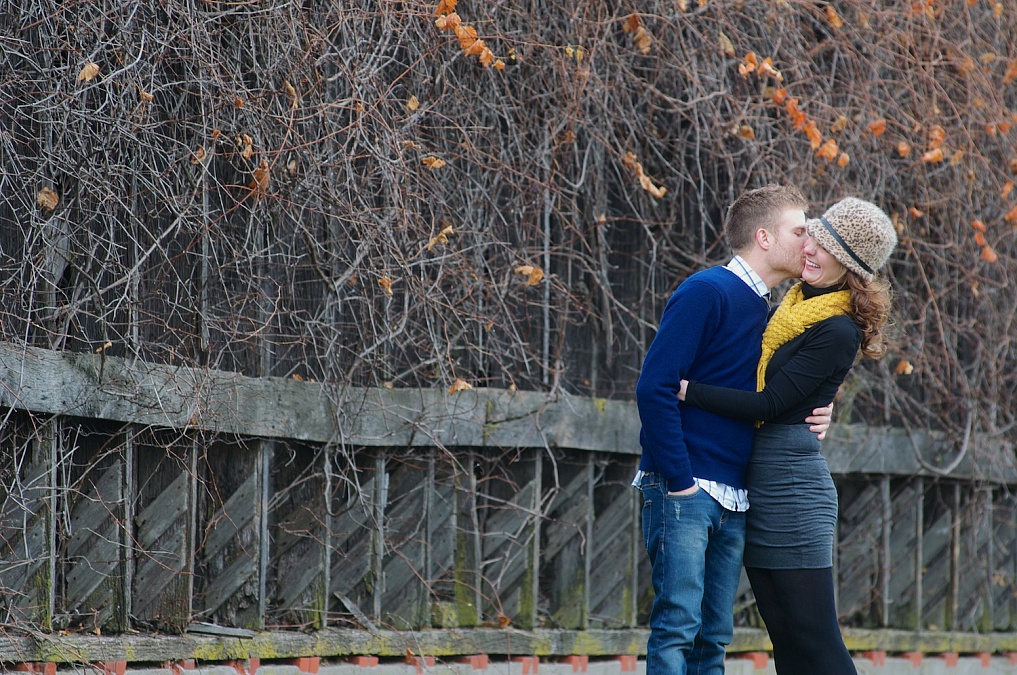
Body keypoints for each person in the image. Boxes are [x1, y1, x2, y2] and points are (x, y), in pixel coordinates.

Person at [677, 197, 897, 675]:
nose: (812, 250)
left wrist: (689, 391)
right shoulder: (792, 307)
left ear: (851, 265)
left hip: (794, 491)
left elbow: (771, 404)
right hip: (764, 482)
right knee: (786, 640)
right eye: (814, 238)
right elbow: (787, 386)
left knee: (814, 639)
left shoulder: (837, 328)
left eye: (828, 248)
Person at [634, 184, 832, 675]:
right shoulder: (708, 291)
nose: (808, 243)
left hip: (735, 495)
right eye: (799, 231)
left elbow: (771, 392)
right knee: (678, 626)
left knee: (714, 636)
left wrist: (825, 407)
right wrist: (679, 481)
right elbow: (653, 387)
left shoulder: (769, 309)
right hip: (686, 487)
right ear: (764, 238)